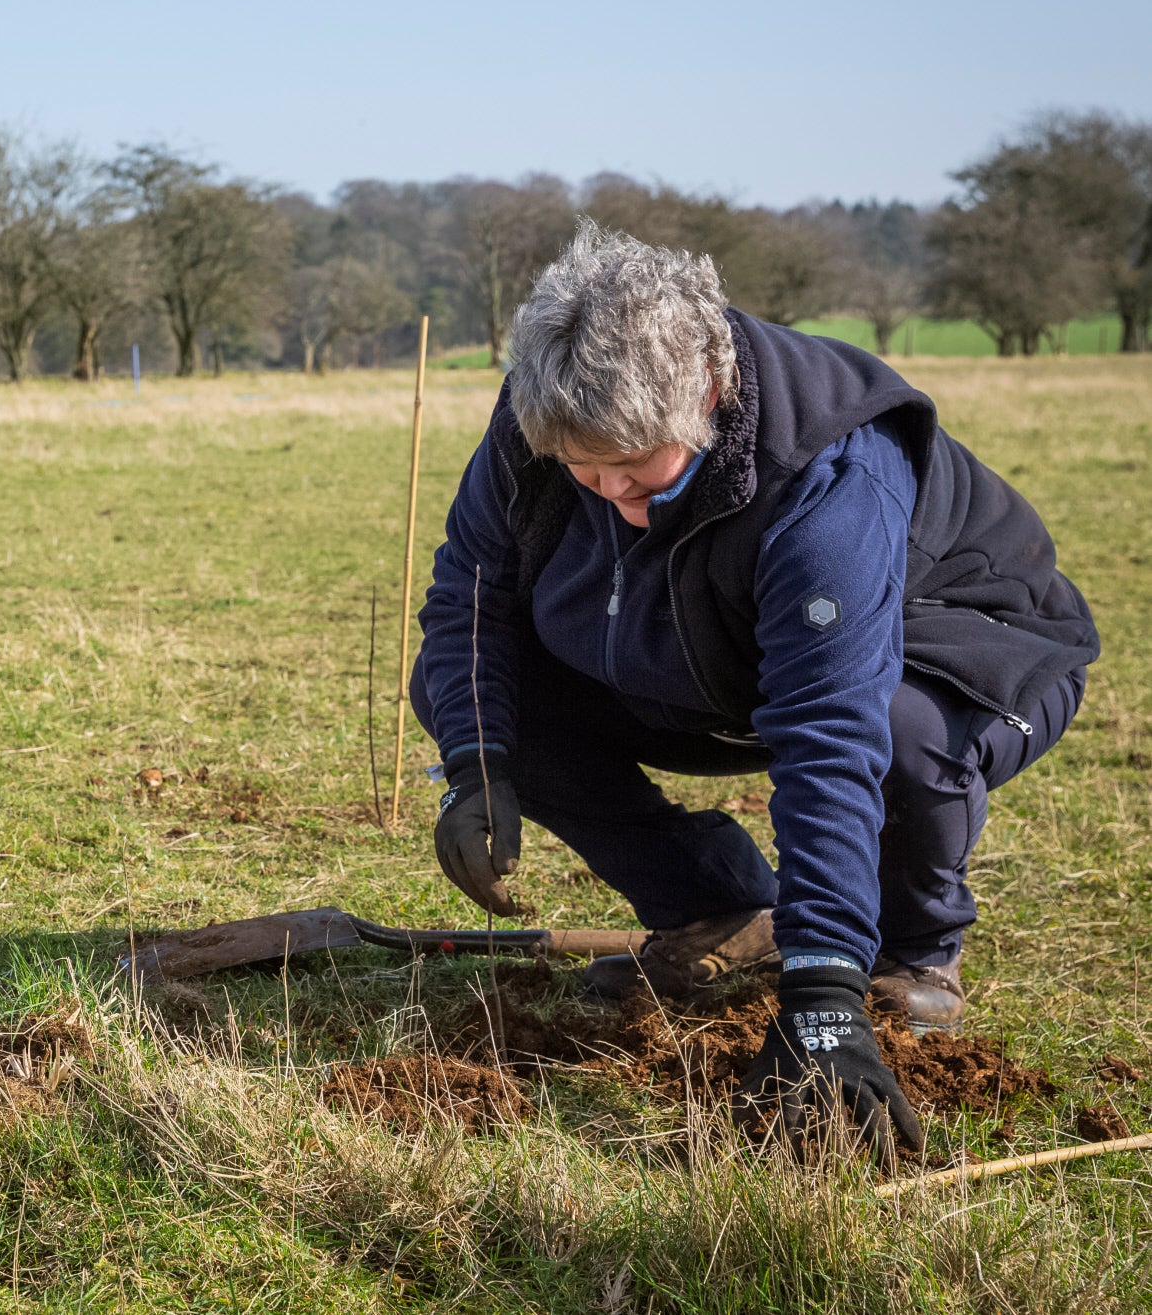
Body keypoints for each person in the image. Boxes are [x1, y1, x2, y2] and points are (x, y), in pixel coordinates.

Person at [411, 221, 1095, 1165]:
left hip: (959, 648)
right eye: (586, 473)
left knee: (899, 735)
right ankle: (717, 910)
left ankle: (909, 949)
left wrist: (820, 998)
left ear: (708, 392)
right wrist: (476, 763)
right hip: (715, 655)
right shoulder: (542, 413)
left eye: (639, 467)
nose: (616, 497)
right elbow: (469, 596)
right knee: (485, 699)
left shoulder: (828, 473)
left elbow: (830, 733)